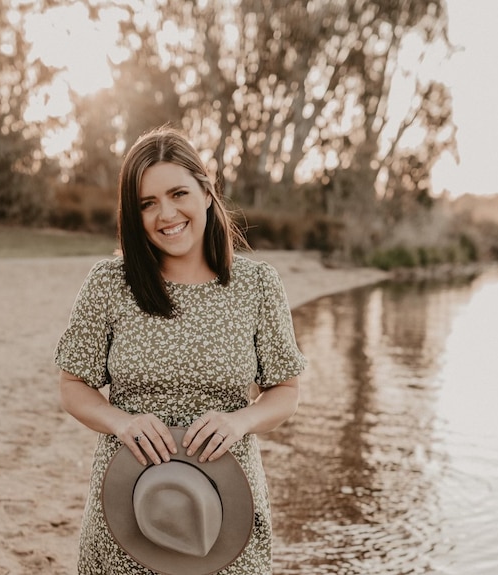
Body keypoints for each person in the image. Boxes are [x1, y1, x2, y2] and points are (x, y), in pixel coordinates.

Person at [54, 126, 306, 574]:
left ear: (207, 193)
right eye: (147, 203)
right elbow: (74, 385)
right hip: (128, 511)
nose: (165, 213)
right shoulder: (109, 285)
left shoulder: (258, 286)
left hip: (225, 512)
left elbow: (285, 390)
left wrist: (240, 420)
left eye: (178, 193)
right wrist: (122, 422)